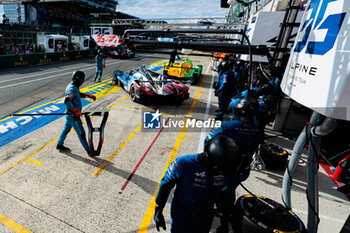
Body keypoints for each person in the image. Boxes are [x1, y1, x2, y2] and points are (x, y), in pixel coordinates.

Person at [154, 135, 247, 233]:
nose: (223, 173)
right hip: (181, 216)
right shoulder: (183, 164)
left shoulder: (224, 170)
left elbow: (226, 193)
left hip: (205, 217)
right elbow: (166, 185)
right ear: (213, 164)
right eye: (221, 171)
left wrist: (225, 220)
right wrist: (159, 208)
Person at [205, 96, 265, 233]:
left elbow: (208, 143)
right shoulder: (259, 131)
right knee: (229, 190)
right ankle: (225, 219)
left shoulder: (226, 127)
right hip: (241, 171)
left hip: (222, 170)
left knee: (212, 190)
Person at [57, 70, 97, 156]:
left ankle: (59, 144)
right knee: (81, 133)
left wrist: (88, 96)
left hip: (69, 115)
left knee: (66, 129)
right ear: (80, 80)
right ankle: (89, 151)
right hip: (73, 116)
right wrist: (76, 111)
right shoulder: (72, 89)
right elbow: (67, 101)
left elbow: (78, 94)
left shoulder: (73, 86)